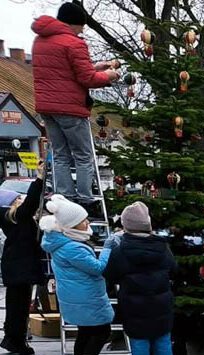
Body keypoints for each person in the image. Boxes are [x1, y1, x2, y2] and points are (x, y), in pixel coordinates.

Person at [31, 2, 120, 206]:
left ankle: (64, 198)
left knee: (61, 154)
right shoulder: (74, 43)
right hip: (70, 108)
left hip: (47, 107)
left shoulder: (40, 40)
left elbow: (64, 71)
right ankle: (85, 199)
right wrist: (109, 76)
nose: (83, 30)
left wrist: (98, 66)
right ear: (73, 23)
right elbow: (87, 79)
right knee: (83, 155)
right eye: (82, 25)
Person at [39, 195, 117, 355]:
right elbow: (97, 267)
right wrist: (108, 248)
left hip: (76, 296)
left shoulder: (62, 242)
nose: (87, 222)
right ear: (71, 226)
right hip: (85, 296)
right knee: (101, 331)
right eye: (83, 221)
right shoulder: (72, 247)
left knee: (86, 331)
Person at [103, 202, 177, 355]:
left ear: (126, 225)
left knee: (139, 343)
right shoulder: (162, 247)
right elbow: (174, 269)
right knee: (162, 341)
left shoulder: (121, 250)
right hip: (161, 302)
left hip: (133, 303)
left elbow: (110, 275)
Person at [1, 170, 46, 355]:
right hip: (20, 268)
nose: (21, 200)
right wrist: (39, 180)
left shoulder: (17, 220)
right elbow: (31, 203)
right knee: (18, 306)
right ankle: (15, 340)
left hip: (15, 268)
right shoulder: (18, 217)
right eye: (18, 198)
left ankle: (13, 338)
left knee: (15, 304)